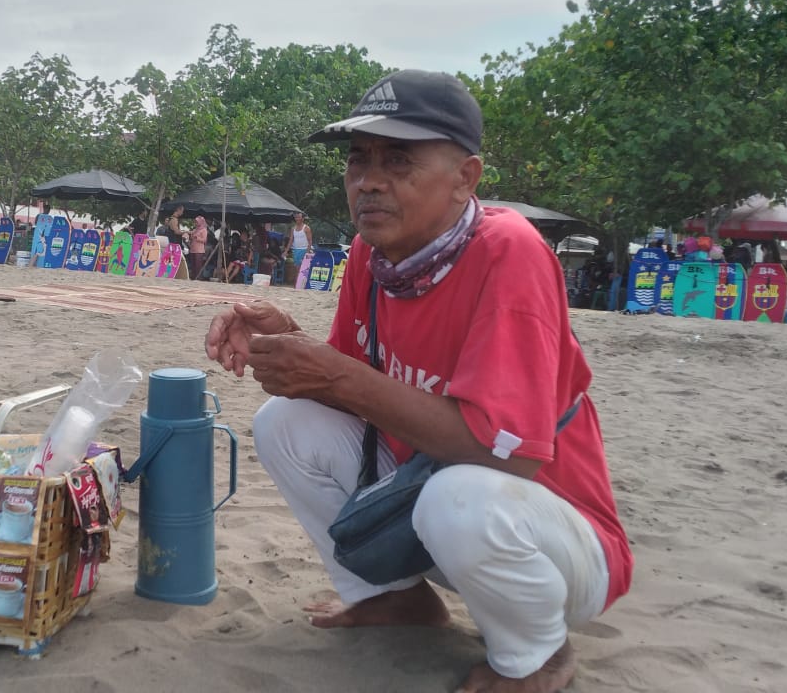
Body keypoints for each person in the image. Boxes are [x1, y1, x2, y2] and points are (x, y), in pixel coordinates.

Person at [204, 70, 631, 693]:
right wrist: (286, 338)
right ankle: (395, 598)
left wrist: (334, 373)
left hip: (556, 541)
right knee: (285, 423)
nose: (370, 180)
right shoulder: (372, 257)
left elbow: (502, 453)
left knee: (458, 497)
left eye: (399, 160)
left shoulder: (509, 251)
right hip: (434, 503)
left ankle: (538, 655)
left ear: (466, 178)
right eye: (358, 161)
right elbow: (351, 388)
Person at [189, 215, 209, 280]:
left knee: (198, 265)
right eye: (195, 222)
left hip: (199, 250)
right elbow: (192, 238)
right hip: (193, 249)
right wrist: (190, 236)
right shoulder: (195, 229)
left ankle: (198, 277)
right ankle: (193, 277)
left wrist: (197, 237)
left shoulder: (204, 230)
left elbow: (204, 240)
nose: (196, 223)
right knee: (193, 264)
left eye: (197, 222)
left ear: (201, 222)